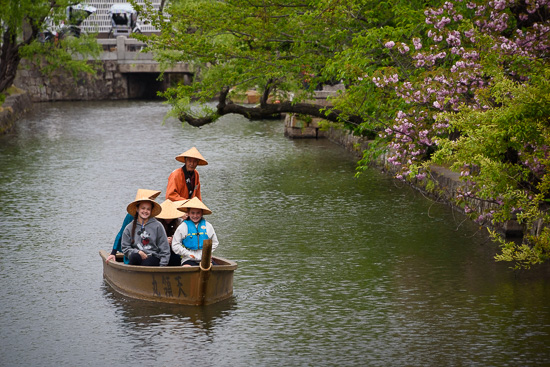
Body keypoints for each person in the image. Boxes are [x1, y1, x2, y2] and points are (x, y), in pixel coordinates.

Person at [106, 189, 161, 263]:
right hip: (134, 253)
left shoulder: (153, 218)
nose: (146, 210)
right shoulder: (130, 216)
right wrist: (113, 253)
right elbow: (121, 233)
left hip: (150, 254)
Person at [121, 191, 170, 266]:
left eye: (148, 209)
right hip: (137, 257)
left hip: (153, 257)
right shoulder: (129, 227)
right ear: (137, 209)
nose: (145, 211)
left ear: (151, 211)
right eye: (143, 208)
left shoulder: (158, 226)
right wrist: (138, 252)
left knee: (147, 263)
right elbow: (125, 247)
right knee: (134, 257)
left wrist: (162, 265)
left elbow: (164, 248)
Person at [172, 197, 218, 266]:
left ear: (202, 213)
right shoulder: (183, 226)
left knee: (215, 269)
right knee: (187, 268)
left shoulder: (208, 226)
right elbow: (175, 245)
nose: (195, 216)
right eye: (192, 213)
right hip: (188, 258)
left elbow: (215, 242)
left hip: (205, 258)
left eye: (198, 213)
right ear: (188, 213)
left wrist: (207, 253)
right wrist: (187, 253)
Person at [155, 199, 188, 266]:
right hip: (158, 252)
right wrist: (164, 241)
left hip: (174, 252)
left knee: (176, 258)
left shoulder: (179, 223)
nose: (168, 219)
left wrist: (174, 241)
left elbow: (185, 240)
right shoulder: (156, 224)